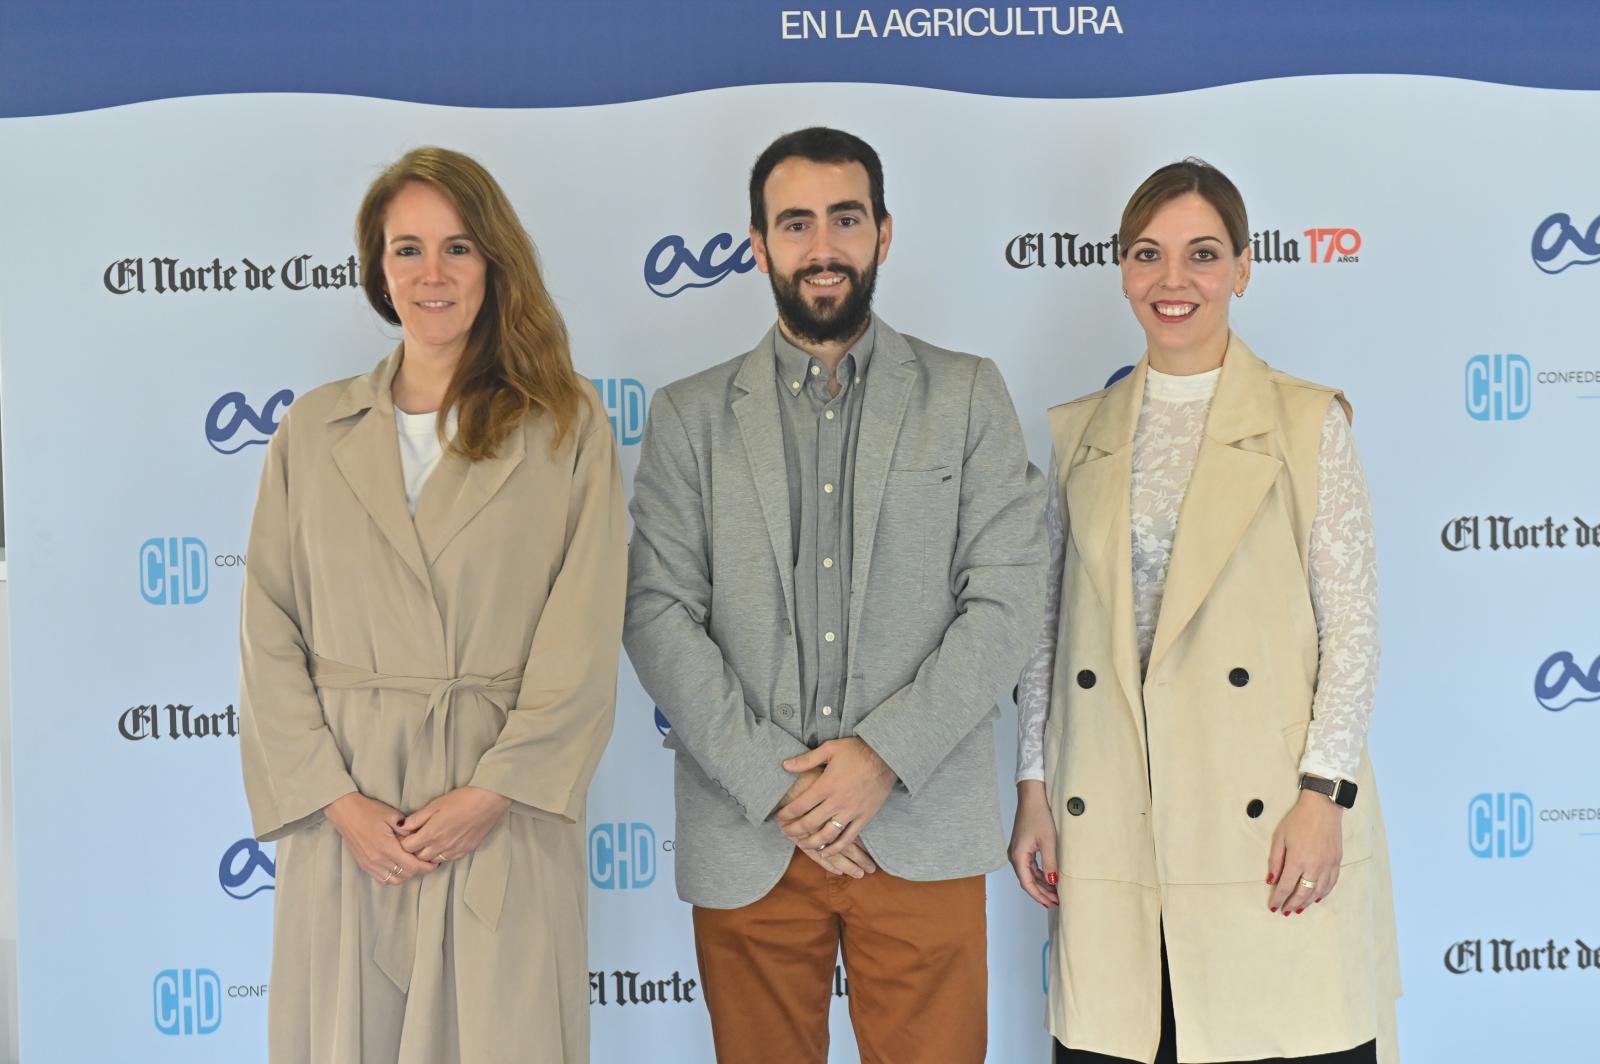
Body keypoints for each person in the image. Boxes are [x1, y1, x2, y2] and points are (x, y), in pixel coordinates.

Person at [625, 126, 1046, 1064]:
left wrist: (882, 758)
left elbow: (1011, 599)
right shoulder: (689, 417)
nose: (824, 247)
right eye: (797, 223)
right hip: (751, 837)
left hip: (920, 824)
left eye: (845, 220)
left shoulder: (967, 395)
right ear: (758, 243)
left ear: (883, 235)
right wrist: (781, 789)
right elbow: (657, 613)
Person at [239, 146, 625, 1064]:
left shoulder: (563, 424)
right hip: (353, 820)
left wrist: (492, 792)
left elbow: (584, 631)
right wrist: (338, 803)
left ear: (495, 263)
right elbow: (268, 629)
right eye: (406, 248)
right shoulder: (312, 428)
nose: (432, 274)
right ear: (378, 268)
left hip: (502, 813)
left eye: (457, 248)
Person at [1009, 158, 1400, 1064]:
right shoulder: (1079, 433)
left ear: (1244, 266)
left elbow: (1353, 628)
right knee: (1126, 1039)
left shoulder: (1308, 424)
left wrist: (1323, 793)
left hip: (1269, 824)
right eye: (1148, 254)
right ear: (1121, 270)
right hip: (1113, 817)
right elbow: (1046, 637)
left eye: (1202, 253)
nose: (1172, 281)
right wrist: (1034, 785)